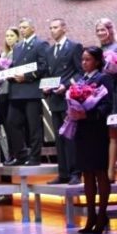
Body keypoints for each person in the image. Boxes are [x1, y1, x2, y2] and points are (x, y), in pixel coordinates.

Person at [70, 46, 114, 234]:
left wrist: (87, 115)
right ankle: (91, 216)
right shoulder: (81, 80)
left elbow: (106, 106)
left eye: (88, 59)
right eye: (82, 59)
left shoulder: (103, 78)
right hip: (82, 132)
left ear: (97, 61)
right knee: (87, 173)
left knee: (100, 172)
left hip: (97, 130)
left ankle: (102, 215)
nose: (84, 62)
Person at [44, 18, 83, 185]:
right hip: (54, 99)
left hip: (68, 99)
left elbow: (80, 73)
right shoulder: (49, 51)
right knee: (59, 139)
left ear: (64, 28)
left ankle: (75, 173)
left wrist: (66, 86)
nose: (53, 30)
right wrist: (45, 87)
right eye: (51, 28)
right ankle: (63, 173)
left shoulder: (74, 47)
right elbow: (48, 74)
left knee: (71, 137)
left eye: (55, 27)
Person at [5, 18, 49, 166]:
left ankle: (35, 157)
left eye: (25, 27)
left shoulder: (40, 44)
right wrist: (6, 73)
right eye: (21, 27)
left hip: (31, 90)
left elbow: (43, 66)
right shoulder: (17, 47)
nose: (22, 30)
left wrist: (27, 76)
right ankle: (21, 155)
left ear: (33, 28)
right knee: (12, 123)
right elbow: (14, 66)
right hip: (16, 91)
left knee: (34, 126)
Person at [95, 17, 117, 182]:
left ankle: (111, 171)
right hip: (101, 93)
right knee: (105, 133)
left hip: (116, 93)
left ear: (110, 30)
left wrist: (113, 70)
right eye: (98, 30)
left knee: (114, 132)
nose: (100, 33)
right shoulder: (98, 50)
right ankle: (106, 170)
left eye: (103, 29)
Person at [0, 27, 20, 162]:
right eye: (7, 36)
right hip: (1, 91)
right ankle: (9, 154)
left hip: (13, 92)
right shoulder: (3, 55)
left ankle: (17, 153)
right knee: (4, 124)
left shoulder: (18, 53)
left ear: (17, 38)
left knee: (12, 124)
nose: (9, 38)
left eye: (12, 35)